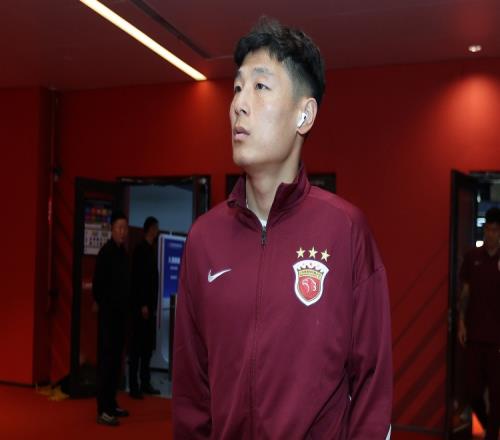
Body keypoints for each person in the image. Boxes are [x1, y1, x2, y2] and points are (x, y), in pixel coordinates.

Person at [172, 17, 392, 439]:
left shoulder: (345, 231)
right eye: (237, 87)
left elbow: (372, 382)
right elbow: (190, 392)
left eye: (260, 86)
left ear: (304, 115)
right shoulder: (203, 238)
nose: (239, 104)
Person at [458, 207, 500, 440]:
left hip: (497, 341)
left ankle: (492, 435)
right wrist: (461, 322)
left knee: (497, 395)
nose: (491, 234)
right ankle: (487, 425)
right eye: (488, 230)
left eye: (495, 230)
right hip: (474, 335)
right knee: (472, 390)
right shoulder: (472, 257)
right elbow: (465, 292)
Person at [92, 210, 130, 426]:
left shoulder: (123, 253)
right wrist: (107, 305)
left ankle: (111, 402)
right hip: (109, 316)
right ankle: (103, 409)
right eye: (119, 228)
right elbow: (98, 286)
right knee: (107, 362)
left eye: (125, 228)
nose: (123, 232)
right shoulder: (106, 253)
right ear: (112, 229)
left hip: (121, 316)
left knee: (116, 362)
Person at [129, 216, 161, 398]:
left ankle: (145, 381)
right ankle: (134, 385)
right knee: (137, 347)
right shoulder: (140, 250)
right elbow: (138, 279)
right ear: (150, 229)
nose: (157, 231)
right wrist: (142, 304)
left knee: (147, 347)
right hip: (141, 307)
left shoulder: (151, 249)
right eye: (155, 228)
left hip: (150, 306)